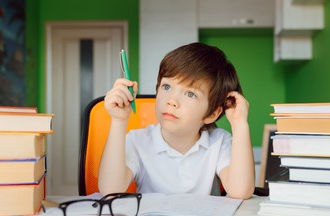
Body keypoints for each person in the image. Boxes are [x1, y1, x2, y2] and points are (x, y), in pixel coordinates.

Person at [98, 42, 255, 199]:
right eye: (166, 87)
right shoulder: (138, 140)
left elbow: (240, 191)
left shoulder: (219, 142)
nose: (172, 101)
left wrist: (240, 124)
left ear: (212, 114)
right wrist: (119, 122)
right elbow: (110, 190)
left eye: (190, 94)